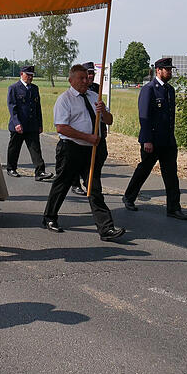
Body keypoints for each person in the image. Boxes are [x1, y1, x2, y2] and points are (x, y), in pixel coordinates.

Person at [42, 64, 125, 241]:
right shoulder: (65, 100)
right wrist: (87, 137)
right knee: (62, 184)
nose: (85, 81)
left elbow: (109, 121)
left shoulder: (94, 97)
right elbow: (62, 127)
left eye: (87, 78)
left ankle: (106, 228)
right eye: (81, 78)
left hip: (92, 151)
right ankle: (50, 217)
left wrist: (103, 112)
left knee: (94, 188)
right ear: (71, 80)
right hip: (71, 148)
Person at [122, 57, 187, 220]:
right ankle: (129, 197)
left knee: (171, 174)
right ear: (158, 70)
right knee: (144, 170)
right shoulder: (149, 89)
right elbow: (144, 116)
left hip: (167, 141)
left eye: (171, 69)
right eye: (167, 69)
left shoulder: (169, 90)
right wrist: (147, 140)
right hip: (152, 140)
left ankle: (173, 208)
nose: (170, 72)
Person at [6, 65, 53, 181]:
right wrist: (17, 123)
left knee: (35, 149)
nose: (30, 78)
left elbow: (38, 108)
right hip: (18, 125)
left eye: (32, 75)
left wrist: (40, 124)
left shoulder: (34, 88)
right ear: (21, 74)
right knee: (14, 148)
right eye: (28, 75)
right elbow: (12, 107)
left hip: (32, 125)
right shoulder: (14, 88)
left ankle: (40, 171)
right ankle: (11, 168)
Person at [71, 61, 100, 195]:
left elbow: (101, 112)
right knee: (73, 167)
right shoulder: (71, 95)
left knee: (97, 163)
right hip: (78, 139)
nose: (90, 77)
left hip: (96, 135)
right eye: (88, 73)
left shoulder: (95, 89)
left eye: (92, 73)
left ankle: (91, 185)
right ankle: (76, 184)